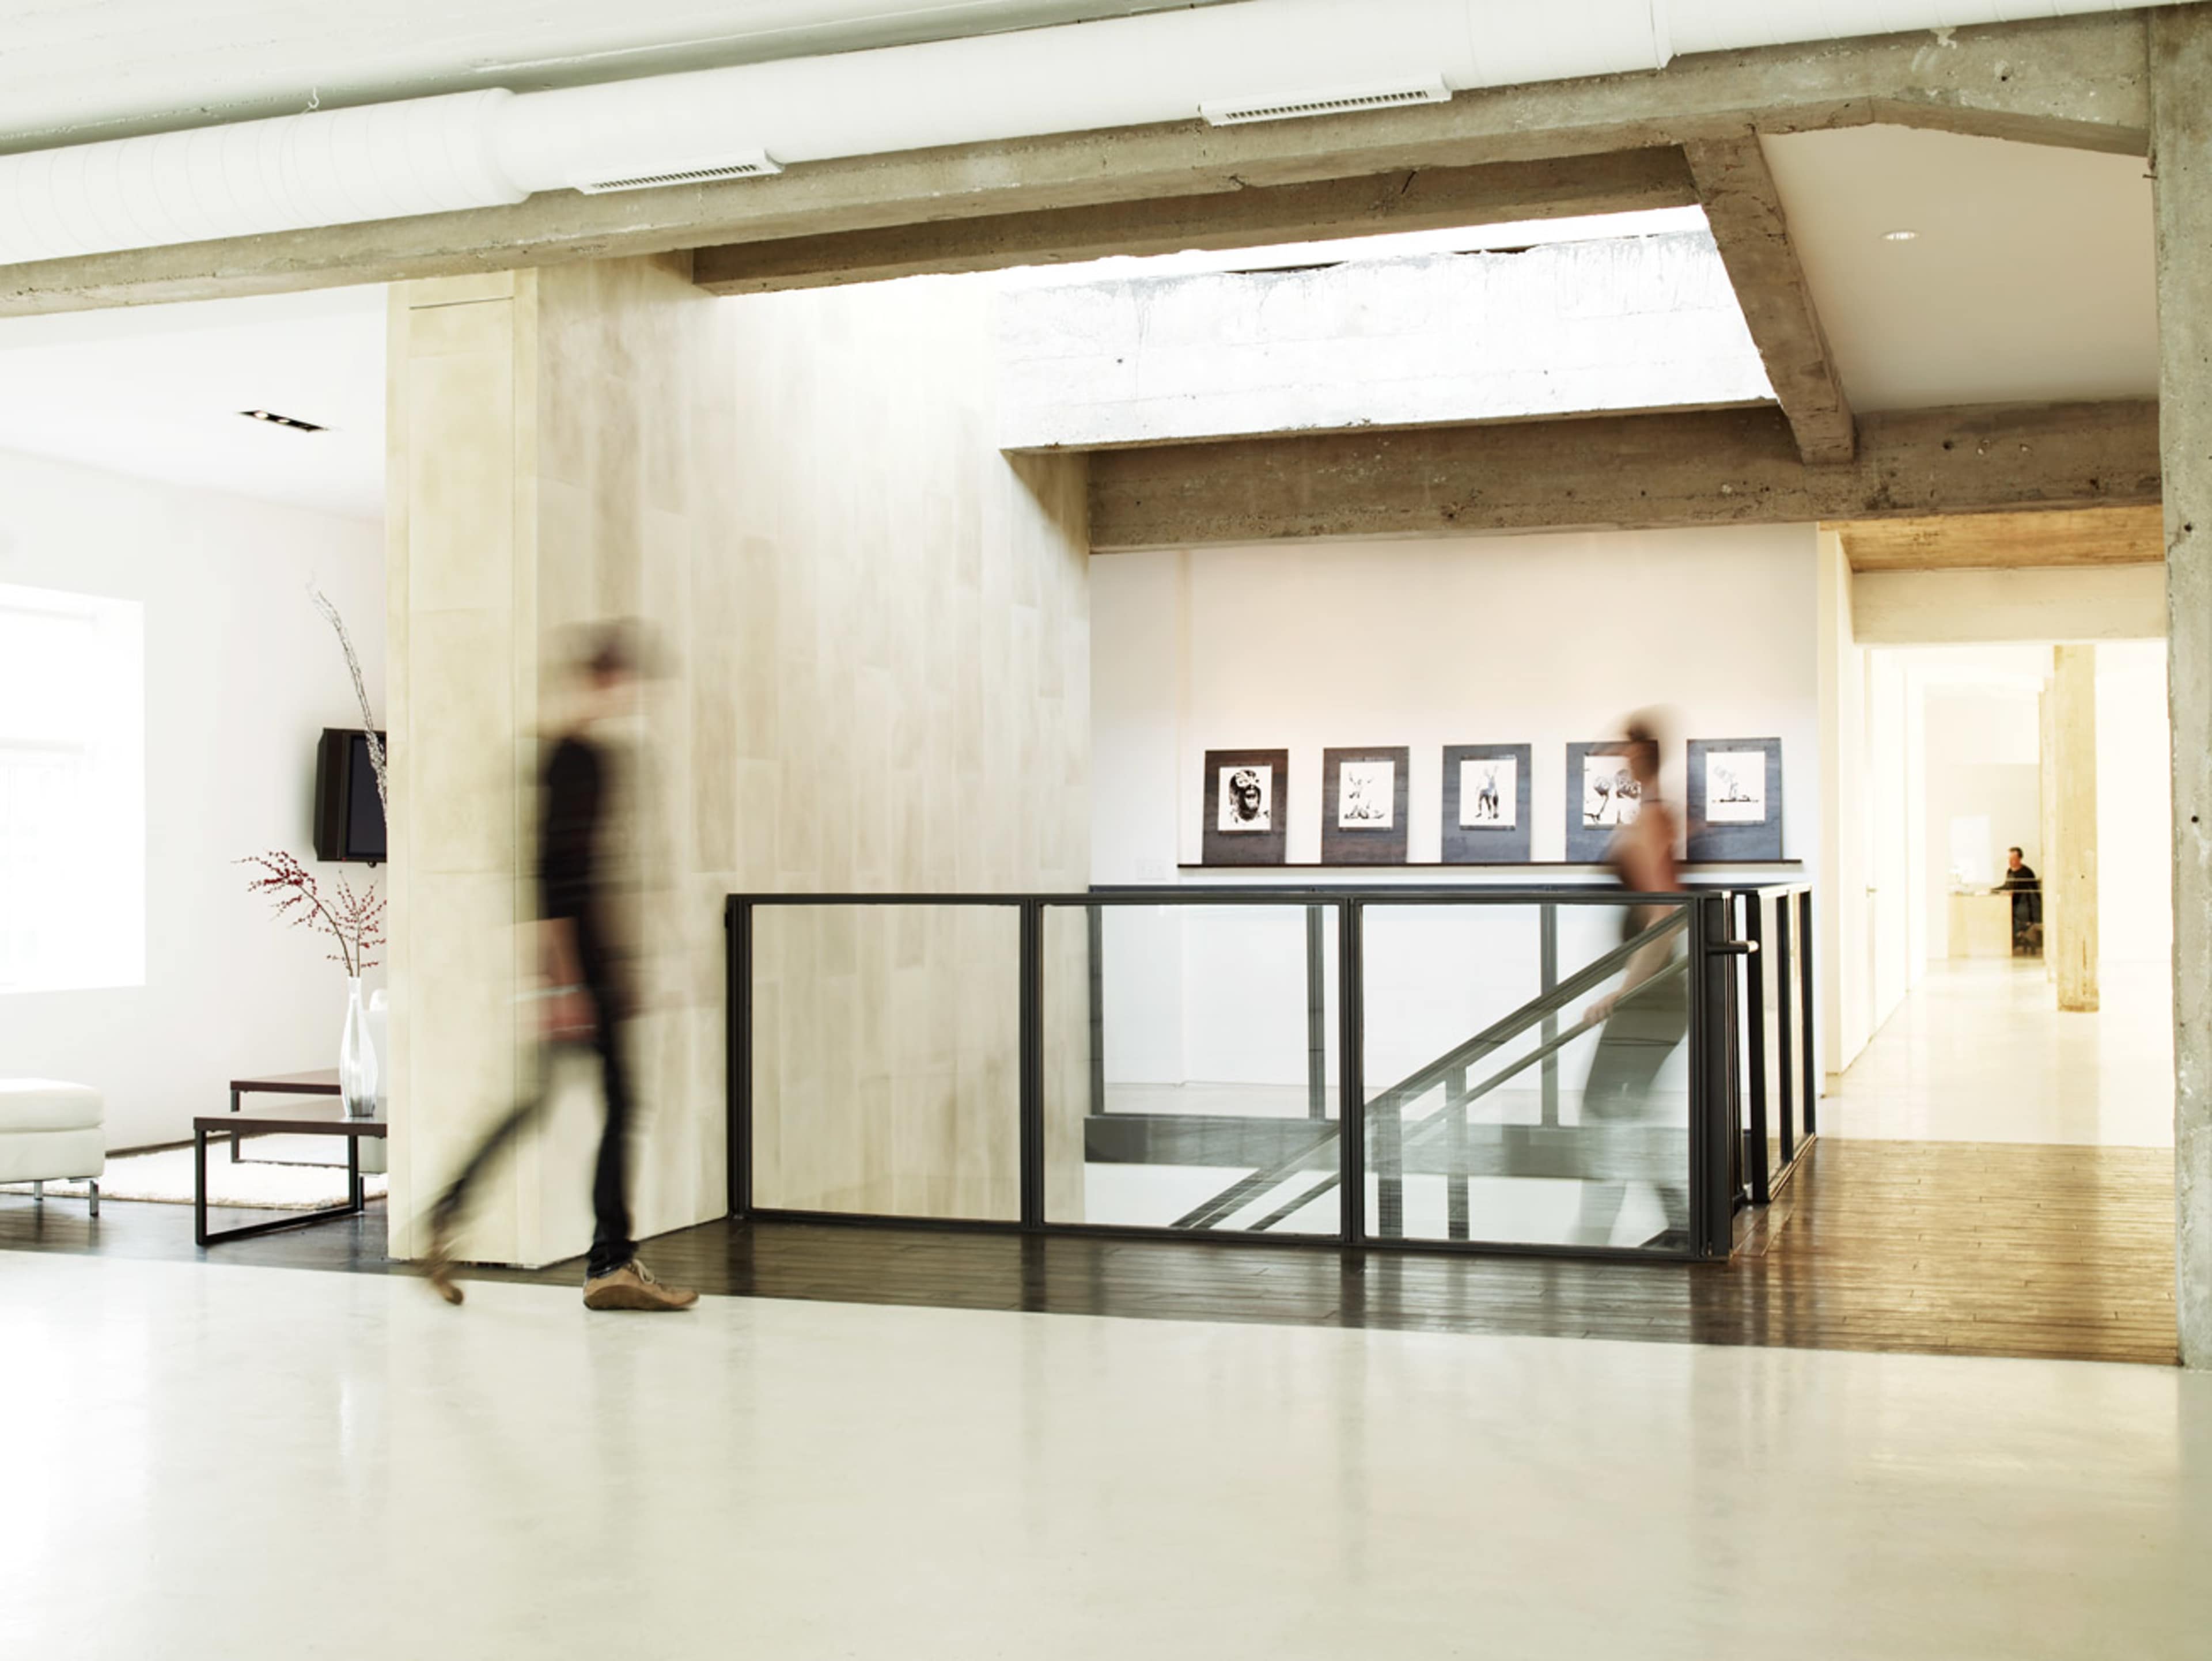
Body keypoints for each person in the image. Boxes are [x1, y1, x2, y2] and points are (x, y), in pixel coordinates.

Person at [423, 624, 697, 1312]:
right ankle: (609, 1263)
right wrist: (566, 982)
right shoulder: (576, 758)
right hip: (582, 968)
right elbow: (552, 878)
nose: (629, 694)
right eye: (623, 680)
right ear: (604, 679)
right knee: (618, 1103)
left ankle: (450, 1215)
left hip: (590, 963)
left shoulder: (576, 755)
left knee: (547, 1100)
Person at [1576, 717, 1691, 1250]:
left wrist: (1624, 991)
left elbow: (1666, 916)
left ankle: (1608, 1228)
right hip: (1656, 992)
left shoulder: (1651, 819)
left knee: (1603, 1102)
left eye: (1624, 749)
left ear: (1642, 755)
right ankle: (1679, 1221)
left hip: (1654, 995)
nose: (1616, 757)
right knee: (1622, 1106)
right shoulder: (1656, 815)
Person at [1996, 846, 2042, 955]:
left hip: (2025, 906)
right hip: (2013, 904)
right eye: (2009, 859)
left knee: (2011, 918)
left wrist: (2013, 893)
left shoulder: (2026, 873)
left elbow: (2028, 892)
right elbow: (2007, 886)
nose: (2010, 862)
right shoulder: (2010, 871)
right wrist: (1994, 890)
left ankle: (2019, 937)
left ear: (2020, 859)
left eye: (2013, 859)